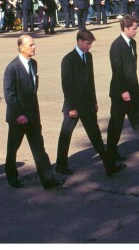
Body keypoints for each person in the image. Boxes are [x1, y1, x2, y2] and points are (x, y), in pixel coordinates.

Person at [56, 29, 125, 176]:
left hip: (87, 105)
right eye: (87, 44)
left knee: (96, 136)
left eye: (90, 44)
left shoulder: (89, 57)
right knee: (65, 136)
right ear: (79, 41)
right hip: (73, 106)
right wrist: (71, 107)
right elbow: (66, 85)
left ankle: (109, 167)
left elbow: (91, 82)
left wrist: (94, 101)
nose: (89, 47)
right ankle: (60, 166)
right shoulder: (68, 59)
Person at [3, 35, 64, 190]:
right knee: (13, 149)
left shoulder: (33, 64)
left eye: (34, 44)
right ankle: (12, 176)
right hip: (18, 118)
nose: (34, 47)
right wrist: (19, 114)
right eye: (31, 45)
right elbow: (9, 94)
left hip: (33, 116)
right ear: (21, 47)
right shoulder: (12, 68)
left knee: (39, 149)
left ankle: (48, 180)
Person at [107, 14, 139, 161]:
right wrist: (124, 90)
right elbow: (117, 71)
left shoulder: (133, 43)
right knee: (116, 125)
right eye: (134, 29)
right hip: (120, 93)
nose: (136, 31)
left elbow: (132, 69)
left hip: (133, 91)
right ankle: (111, 153)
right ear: (125, 28)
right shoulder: (116, 46)